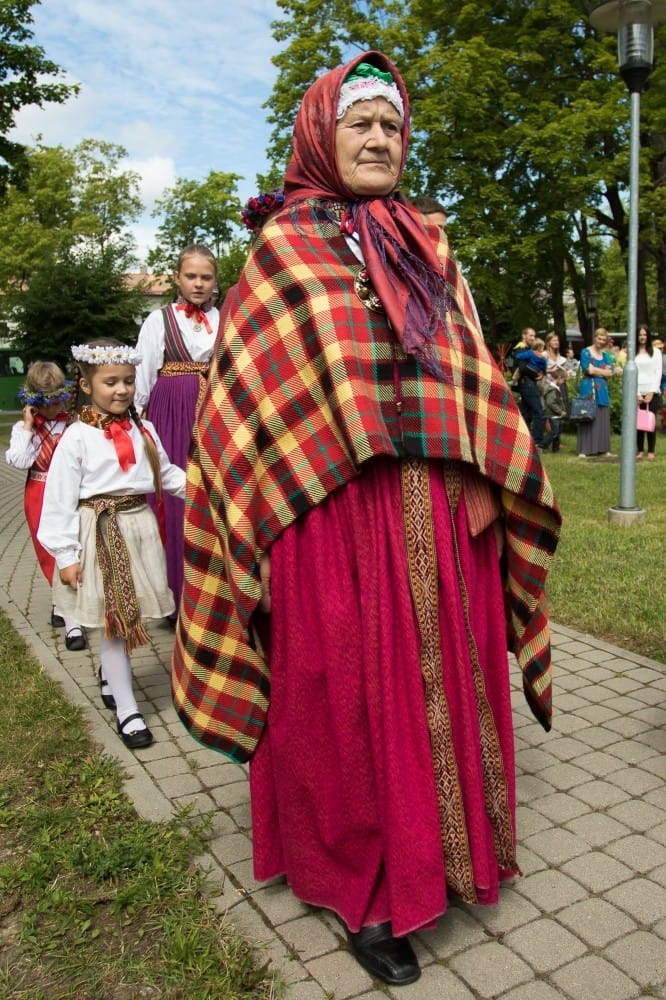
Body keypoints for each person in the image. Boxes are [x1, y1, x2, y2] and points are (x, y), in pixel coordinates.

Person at [171, 52, 560, 987]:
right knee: (344, 702)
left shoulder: (428, 244)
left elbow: (469, 372)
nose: (381, 139)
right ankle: (369, 892)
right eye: (362, 124)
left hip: (439, 508)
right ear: (320, 133)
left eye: (393, 126)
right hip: (329, 520)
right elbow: (246, 406)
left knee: (445, 690)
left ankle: (450, 859)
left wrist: (483, 469)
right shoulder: (281, 253)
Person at [38, 339, 186, 750]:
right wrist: (66, 556)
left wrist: (207, 490)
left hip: (138, 529)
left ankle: (109, 676)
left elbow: (167, 474)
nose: (121, 390)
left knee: (128, 615)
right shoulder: (76, 439)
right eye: (110, 382)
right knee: (115, 626)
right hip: (100, 533)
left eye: (127, 381)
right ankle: (127, 708)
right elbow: (58, 502)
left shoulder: (145, 429)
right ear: (86, 385)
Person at [134, 245, 219, 610]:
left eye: (206, 277)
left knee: (213, 497)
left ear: (215, 281)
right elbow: (142, 376)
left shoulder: (224, 319)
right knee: (175, 496)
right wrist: (136, 426)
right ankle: (176, 594)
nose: (198, 284)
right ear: (177, 278)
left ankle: (215, 593)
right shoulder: (159, 320)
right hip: (171, 414)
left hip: (214, 413)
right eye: (191, 276)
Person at [5, 361, 86, 650]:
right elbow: (19, 461)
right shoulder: (23, 428)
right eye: (46, 403)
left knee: (73, 548)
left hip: (71, 490)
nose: (53, 410)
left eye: (57, 401)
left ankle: (73, 617)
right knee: (49, 553)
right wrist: (28, 425)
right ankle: (62, 605)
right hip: (39, 491)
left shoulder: (72, 421)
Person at [577, 327, 614, 458]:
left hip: (602, 389)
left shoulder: (606, 355)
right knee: (587, 416)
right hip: (588, 388)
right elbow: (588, 370)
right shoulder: (585, 352)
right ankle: (584, 449)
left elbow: (610, 372)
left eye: (604, 339)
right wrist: (602, 371)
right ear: (595, 338)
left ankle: (603, 448)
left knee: (602, 417)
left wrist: (597, 370)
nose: (601, 341)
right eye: (599, 338)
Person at [510, 327, 547, 446]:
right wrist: (538, 374)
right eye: (530, 335)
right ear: (523, 336)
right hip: (527, 384)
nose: (532, 338)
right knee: (539, 412)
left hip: (525, 383)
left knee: (526, 414)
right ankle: (537, 442)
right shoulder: (521, 349)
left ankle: (524, 441)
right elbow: (522, 368)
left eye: (533, 336)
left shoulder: (526, 349)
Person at [635, 324, 662, 460]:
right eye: (640, 335)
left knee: (650, 422)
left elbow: (658, 373)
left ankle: (651, 450)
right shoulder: (633, 353)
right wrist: (638, 393)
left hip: (652, 391)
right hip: (638, 391)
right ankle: (640, 449)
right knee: (639, 423)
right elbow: (633, 374)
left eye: (645, 334)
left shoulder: (656, 352)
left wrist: (651, 391)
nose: (642, 337)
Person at [538, 366, 567, 452]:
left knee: (557, 432)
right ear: (559, 378)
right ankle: (542, 445)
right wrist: (560, 411)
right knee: (554, 432)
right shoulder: (552, 390)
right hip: (553, 414)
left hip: (556, 415)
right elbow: (551, 402)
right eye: (563, 380)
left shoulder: (555, 388)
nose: (563, 383)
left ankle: (556, 448)